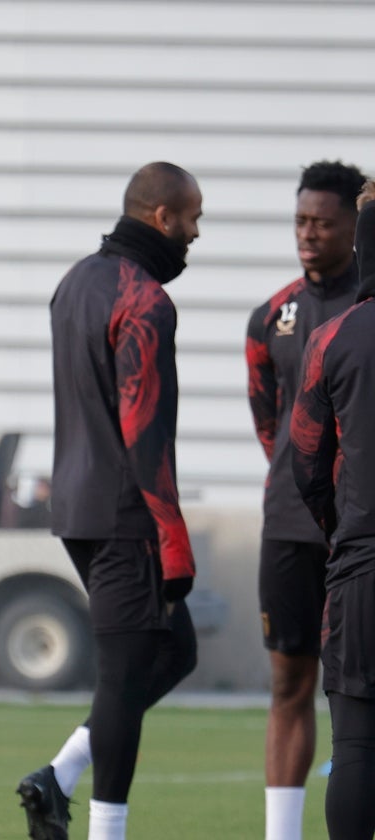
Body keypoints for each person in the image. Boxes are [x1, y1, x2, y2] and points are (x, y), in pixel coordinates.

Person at [17, 162, 202, 840]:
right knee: (124, 677)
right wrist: (172, 538)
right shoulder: (146, 299)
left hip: (75, 503)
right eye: (191, 218)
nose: (196, 232)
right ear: (161, 217)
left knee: (175, 650)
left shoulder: (74, 284)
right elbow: (144, 432)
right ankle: (103, 829)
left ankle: (58, 775)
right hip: (126, 512)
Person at [245, 160, 365, 840]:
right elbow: (274, 424)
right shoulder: (273, 316)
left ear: (356, 226)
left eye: (323, 223)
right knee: (290, 684)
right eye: (300, 221)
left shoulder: (366, 310)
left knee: (359, 694)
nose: (308, 235)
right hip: (291, 526)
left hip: (360, 532)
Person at [291, 198, 375, 840]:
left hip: (362, 569)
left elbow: (307, 463)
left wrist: (343, 527)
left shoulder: (333, 338)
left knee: (356, 749)